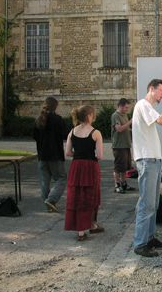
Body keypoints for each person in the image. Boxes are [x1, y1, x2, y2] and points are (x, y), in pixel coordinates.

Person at [132, 79, 162, 257]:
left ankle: (149, 238)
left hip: (153, 160)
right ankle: (141, 243)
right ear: (151, 89)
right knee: (147, 203)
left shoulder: (146, 107)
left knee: (154, 203)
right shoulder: (143, 105)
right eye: (161, 91)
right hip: (147, 160)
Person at [64, 105, 104, 241]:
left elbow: (68, 153)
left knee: (76, 196)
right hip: (90, 166)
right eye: (93, 115)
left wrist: (79, 154)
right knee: (90, 195)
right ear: (89, 116)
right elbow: (99, 155)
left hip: (76, 166)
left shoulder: (72, 132)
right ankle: (91, 224)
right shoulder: (96, 133)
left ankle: (81, 231)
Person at [33, 97, 68, 213]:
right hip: (55, 155)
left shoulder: (38, 120)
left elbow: (35, 137)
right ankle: (51, 199)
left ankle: (48, 202)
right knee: (61, 178)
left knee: (45, 181)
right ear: (55, 106)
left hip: (42, 155)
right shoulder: (58, 120)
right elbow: (65, 136)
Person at [111, 98, 135, 194]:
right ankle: (117, 185)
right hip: (119, 146)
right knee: (118, 167)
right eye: (126, 107)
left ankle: (124, 183)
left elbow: (126, 128)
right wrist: (130, 122)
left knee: (125, 167)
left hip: (126, 145)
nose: (127, 110)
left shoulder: (125, 115)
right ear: (120, 106)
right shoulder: (115, 116)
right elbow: (119, 129)